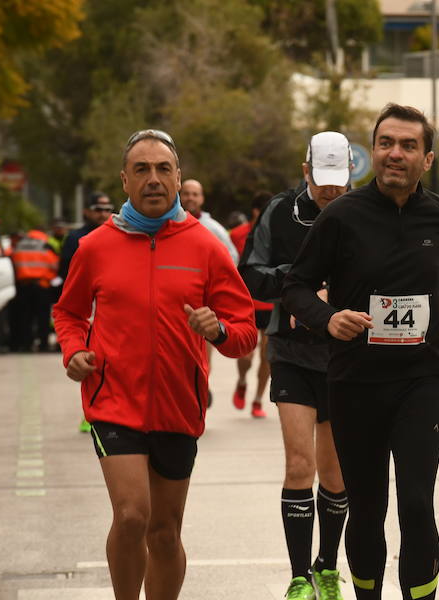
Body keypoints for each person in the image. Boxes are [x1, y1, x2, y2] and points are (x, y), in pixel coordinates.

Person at [282, 106, 439, 600]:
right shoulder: (342, 216)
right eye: (386, 142)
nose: (395, 153)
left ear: (427, 158)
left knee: (416, 503)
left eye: (408, 145)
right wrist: (328, 319)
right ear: (371, 152)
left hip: (423, 377)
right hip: (356, 380)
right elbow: (296, 287)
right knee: (367, 506)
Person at [52, 129, 257, 600]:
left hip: (178, 406)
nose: (153, 178)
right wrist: (74, 350)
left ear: (179, 178)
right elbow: (68, 311)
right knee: (131, 516)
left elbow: (244, 331)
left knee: (164, 532)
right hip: (113, 401)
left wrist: (218, 329)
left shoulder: (205, 247)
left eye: (163, 169)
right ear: (124, 180)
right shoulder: (95, 247)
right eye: (141, 169)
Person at [241, 131, 355, 600]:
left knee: (335, 473)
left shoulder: (365, 213)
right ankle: (299, 576)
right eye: (322, 180)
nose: (331, 190)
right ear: (306, 170)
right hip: (291, 353)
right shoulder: (278, 211)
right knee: (298, 466)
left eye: (339, 180)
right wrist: (300, 286)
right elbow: (250, 274)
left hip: (345, 358)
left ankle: (327, 565)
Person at [58, 191, 115, 433]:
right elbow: (66, 273)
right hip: (86, 303)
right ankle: (89, 411)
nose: (103, 213)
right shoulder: (76, 239)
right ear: (87, 211)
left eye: (107, 209)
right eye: (97, 209)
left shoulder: (119, 235)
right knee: (88, 359)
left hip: (110, 305)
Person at [180, 178, 239, 407]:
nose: (190, 198)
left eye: (195, 194)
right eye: (186, 193)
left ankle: (199, 389)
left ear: (202, 199)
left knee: (201, 354)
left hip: (203, 307)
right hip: (172, 305)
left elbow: (232, 260)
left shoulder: (213, 229)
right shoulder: (162, 224)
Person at [230, 192, 274, 419]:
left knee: (267, 355)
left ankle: (257, 399)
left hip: (270, 303)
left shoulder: (278, 232)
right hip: (245, 302)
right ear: (256, 211)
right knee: (246, 356)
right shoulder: (237, 235)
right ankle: (242, 380)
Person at [10, 228, 59, 352]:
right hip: (42, 286)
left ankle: (26, 344)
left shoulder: (20, 246)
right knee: (42, 317)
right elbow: (55, 266)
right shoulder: (45, 246)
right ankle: (43, 345)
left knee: (25, 317)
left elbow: (13, 264)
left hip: (23, 286)